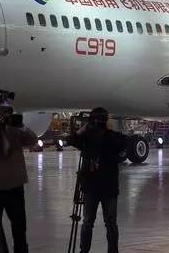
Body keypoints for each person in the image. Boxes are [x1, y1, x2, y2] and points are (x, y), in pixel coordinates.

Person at [67, 108, 129, 253]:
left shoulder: (86, 139)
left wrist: (83, 130)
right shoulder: (113, 138)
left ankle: (84, 250)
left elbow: (70, 140)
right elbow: (126, 142)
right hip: (108, 187)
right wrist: (109, 131)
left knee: (88, 222)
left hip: (91, 187)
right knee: (110, 223)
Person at [0, 105, 37, 253]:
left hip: (15, 188)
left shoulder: (14, 130)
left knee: (19, 229)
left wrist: (22, 126)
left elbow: (33, 140)